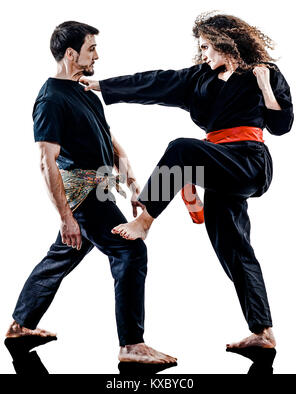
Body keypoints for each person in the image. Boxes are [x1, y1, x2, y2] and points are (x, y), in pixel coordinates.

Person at [80, 12, 293, 369]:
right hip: (217, 164)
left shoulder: (262, 70)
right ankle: (263, 331)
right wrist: (103, 86)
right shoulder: (200, 78)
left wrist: (266, 85)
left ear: (226, 41)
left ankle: (146, 219)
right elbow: (155, 81)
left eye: (207, 47)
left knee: (183, 148)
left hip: (249, 160)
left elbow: (282, 125)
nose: (204, 54)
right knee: (234, 249)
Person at [5, 21, 177, 373]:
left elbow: (108, 138)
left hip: (100, 188)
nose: (97, 54)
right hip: (83, 193)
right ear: (71, 54)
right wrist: (66, 217)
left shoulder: (84, 92)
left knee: (62, 255)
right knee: (129, 249)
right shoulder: (50, 98)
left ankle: (20, 326)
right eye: (91, 48)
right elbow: (45, 160)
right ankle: (132, 345)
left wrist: (130, 179)